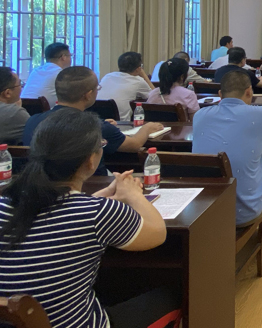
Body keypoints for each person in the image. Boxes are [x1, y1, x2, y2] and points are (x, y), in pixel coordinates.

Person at [0, 109, 180, 328]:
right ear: (90, 160)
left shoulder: (6, 203)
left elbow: (58, 211)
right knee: (172, 293)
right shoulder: (98, 213)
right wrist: (133, 194)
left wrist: (102, 196)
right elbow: (158, 232)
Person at [22, 67, 164, 176]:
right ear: (88, 95)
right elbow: (134, 145)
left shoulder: (32, 120)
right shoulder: (94, 126)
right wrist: (147, 128)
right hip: (93, 186)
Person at [193, 70, 262, 226]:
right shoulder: (261, 114)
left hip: (203, 211)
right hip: (244, 213)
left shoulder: (199, 115)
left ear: (220, 94)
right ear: (249, 91)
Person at [97, 52, 154, 121]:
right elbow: (155, 96)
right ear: (138, 69)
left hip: (99, 120)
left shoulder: (107, 76)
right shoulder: (138, 81)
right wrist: (144, 75)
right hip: (121, 123)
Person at [20, 42, 72, 108]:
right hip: (45, 112)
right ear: (63, 57)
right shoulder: (61, 74)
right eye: (70, 56)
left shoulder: (35, 71)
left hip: (23, 110)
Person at [0, 67, 29, 145]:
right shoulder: (15, 113)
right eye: (20, 84)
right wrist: (17, 108)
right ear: (8, 93)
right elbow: (39, 136)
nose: (21, 88)